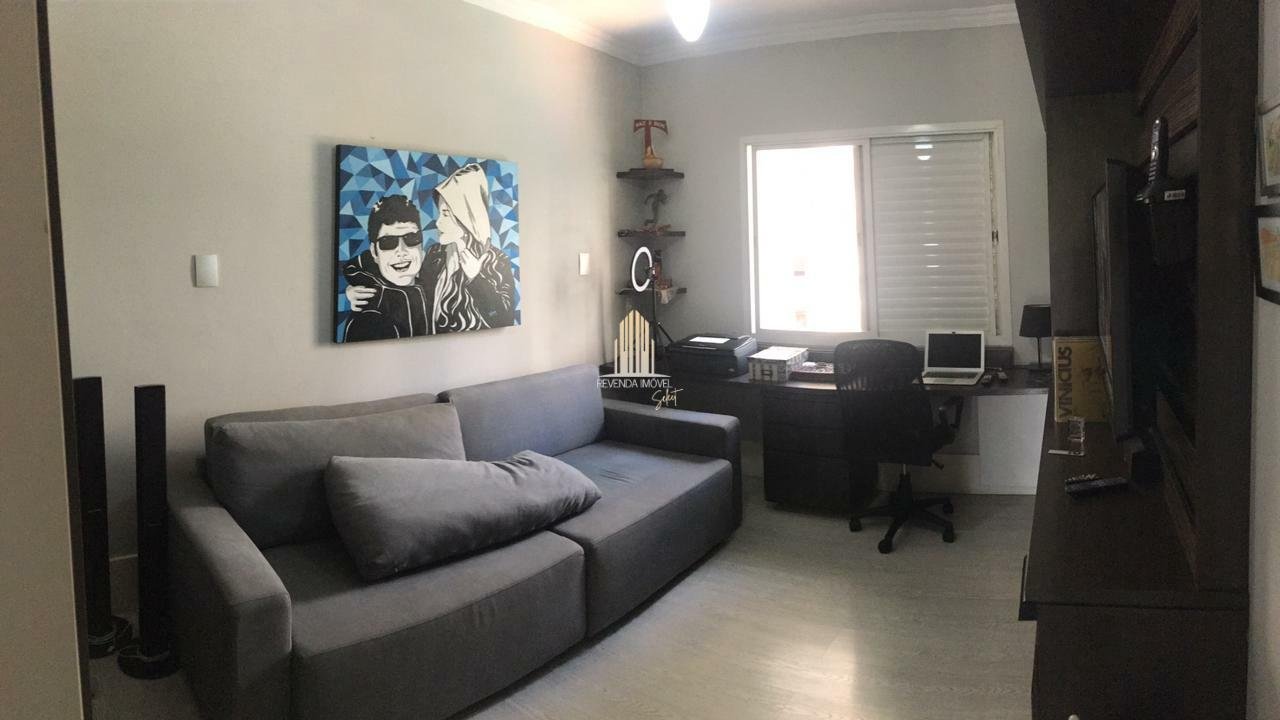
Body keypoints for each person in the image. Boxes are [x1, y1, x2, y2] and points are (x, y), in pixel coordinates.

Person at [422, 163, 517, 333]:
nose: (438, 223)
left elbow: (503, 319)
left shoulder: (498, 261)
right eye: (439, 213)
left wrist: (476, 278)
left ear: (466, 216)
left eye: (446, 214)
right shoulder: (435, 255)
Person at [341, 195, 432, 341]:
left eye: (411, 238)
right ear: (374, 252)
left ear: (421, 246)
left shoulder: (436, 285)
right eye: (388, 242)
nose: (401, 251)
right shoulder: (369, 318)